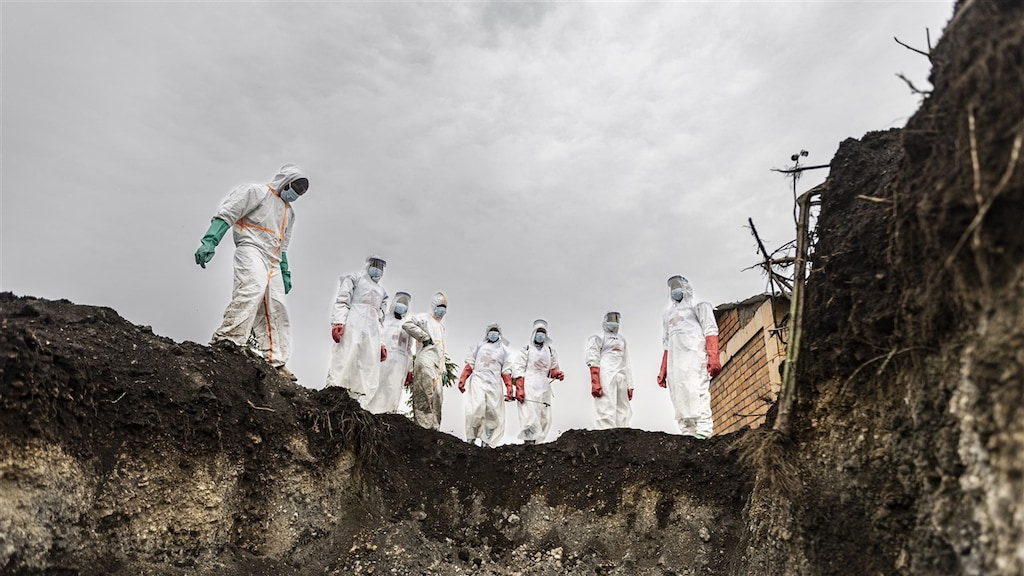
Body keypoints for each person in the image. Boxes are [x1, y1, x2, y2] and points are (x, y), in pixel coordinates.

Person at [194, 163, 308, 381]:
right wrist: (210, 241)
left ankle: (276, 360)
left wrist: (285, 270)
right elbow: (228, 213)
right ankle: (228, 340)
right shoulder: (256, 192)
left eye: (301, 192)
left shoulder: (289, 213)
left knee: (277, 304)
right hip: (251, 248)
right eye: (296, 187)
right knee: (252, 289)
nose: (296, 193)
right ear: (286, 180)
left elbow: (283, 244)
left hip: (273, 259)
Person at [657, 275, 721, 439]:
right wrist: (663, 369)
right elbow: (666, 343)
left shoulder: (699, 308)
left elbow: (710, 331)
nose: (675, 290)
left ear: (686, 288)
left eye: (678, 286)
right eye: (672, 287)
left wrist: (713, 357)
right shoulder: (667, 316)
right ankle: (687, 434)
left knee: (698, 392)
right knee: (679, 397)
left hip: (695, 358)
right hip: (675, 365)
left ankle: (704, 431)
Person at [326, 255, 389, 407]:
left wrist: (381, 343)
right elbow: (342, 301)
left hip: (371, 332)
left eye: (381, 267)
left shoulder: (382, 292)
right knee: (345, 357)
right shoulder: (355, 278)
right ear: (368, 265)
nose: (377, 269)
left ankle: (360, 403)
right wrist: (338, 322)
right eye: (375, 265)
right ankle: (332, 394)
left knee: (367, 365)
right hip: (352, 324)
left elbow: (381, 319)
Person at [457, 323, 515, 447]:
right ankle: (471, 439)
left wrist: (509, 387)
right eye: (491, 331)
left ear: (499, 334)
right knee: (475, 409)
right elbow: (470, 364)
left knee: (493, 414)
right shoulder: (478, 347)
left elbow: (506, 370)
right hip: (478, 381)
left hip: (494, 384)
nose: (493, 333)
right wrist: (463, 379)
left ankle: (487, 442)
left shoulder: (505, 351)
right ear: (487, 333)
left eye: (496, 331)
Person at [511, 319, 565, 444]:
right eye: (538, 332)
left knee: (544, 416)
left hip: (544, 387)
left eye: (543, 332)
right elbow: (518, 370)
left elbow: (552, 370)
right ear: (534, 333)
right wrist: (519, 389)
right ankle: (529, 442)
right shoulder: (526, 349)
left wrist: (558, 374)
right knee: (530, 414)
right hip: (529, 384)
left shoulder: (550, 351)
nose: (541, 335)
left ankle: (539, 444)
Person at [402, 292, 448, 430]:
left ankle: (435, 429)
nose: (442, 309)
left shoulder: (441, 327)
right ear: (434, 305)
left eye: (444, 307)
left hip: (437, 365)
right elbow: (407, 324)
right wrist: (423, 337)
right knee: (424, 392)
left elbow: (441, 350)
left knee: (438, 397)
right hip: (425, 358)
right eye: (440, 306)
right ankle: (423, 427)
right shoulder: (423, 318)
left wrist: (444, 369)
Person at [364, 291, 414, 414]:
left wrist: (410, 369)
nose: (402, 306)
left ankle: (390, 413)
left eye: (405, 304)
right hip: (383, 360)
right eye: (400, 302)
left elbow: (409, 349)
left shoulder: (407, 325)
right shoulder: (384, 320)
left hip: (400, 363)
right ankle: (370, 411)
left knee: (393, 388)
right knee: (377, 385)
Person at [585, 311, 634, 429]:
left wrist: (630, 385)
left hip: (621, 375)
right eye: (611, 319)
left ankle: (623, 431)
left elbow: (627, 362)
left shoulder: (622, 340)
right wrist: (595, 380)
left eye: (616, 319)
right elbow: (593, 358)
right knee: (606, 404)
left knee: (623, 407)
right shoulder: (598, 338)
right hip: (606, 374)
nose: (614, 322)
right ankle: (605, 432)